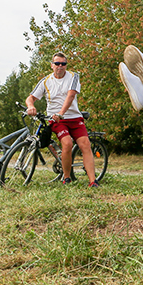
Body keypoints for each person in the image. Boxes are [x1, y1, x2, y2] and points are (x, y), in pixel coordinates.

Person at [25, 52, 99, 186]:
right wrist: (30, 106)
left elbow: (71, 96)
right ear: (52, 65)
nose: (60, 66)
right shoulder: (46, 81)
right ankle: (66, 177)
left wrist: (61, 112)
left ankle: (93, 181)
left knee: (85, 145)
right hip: (57, 120)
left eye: (63, 64)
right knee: (67, 143)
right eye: (57, 63)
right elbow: (31, 98)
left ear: (66, 65)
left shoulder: (73, 77)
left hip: (74, 118)